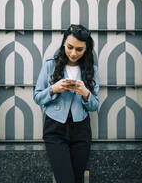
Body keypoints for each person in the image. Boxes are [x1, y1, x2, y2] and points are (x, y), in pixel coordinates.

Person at [34, 24, 100, 183]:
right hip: (55, 128)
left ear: (86, 49)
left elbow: (94, 105)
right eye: (70, 47)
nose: (73, 53)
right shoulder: (50, 64)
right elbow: (37, 97)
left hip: (81, 130)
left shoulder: (91, 69)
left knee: (78, 179)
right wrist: (53, 89)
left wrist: (85, 93)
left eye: (79, 49)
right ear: (64, 43)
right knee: (66, 179)